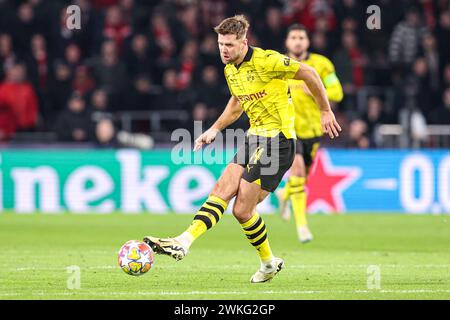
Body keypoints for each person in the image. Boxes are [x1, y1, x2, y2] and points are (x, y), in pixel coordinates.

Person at [144, 15, 341, 283]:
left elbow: (309, 72)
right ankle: (184, 241)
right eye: (220, 44)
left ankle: (268, 262)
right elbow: (238, 102)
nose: (223, 50)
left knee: (241, 210)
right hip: (253, 138)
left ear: (243, 43)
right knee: (222, 190)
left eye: (229, 45)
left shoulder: (267, 61)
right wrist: (214, 128)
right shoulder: (230, 70)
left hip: (279, 141)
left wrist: (325, 110)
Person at [276, 24, 343, 243]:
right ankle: (302, 227)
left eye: (301, 37)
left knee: (301, 179)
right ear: (287, 42)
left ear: (308, 41)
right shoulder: (277, 64)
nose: (297, 41)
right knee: (296, 172)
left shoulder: (322, 65)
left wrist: (316, 87)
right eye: (293, 37)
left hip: (313, 130)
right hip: (288, 128)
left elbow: (338, 92)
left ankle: (283, 195)